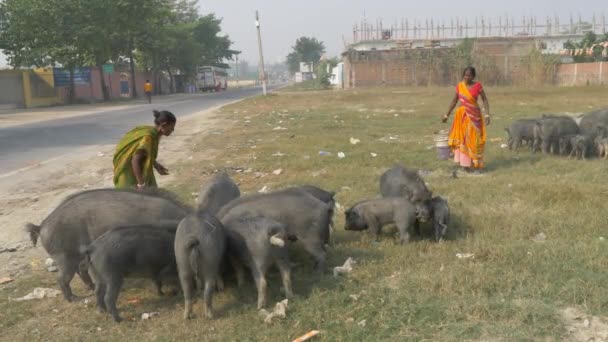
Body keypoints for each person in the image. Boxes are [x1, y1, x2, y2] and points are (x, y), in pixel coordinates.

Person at [442, 66, 491, 173]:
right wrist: (447, 115)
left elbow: (485, 100)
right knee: (463, 140)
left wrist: (487, 114)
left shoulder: (478, 86)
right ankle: (465, 164)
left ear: (473, 76)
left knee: (474, 140)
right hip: (462, 117)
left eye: (469, 75)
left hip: (474, 117)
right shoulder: (460, 86)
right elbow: (454, 101)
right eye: (465, 75)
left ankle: (474, 163)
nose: (466, 77)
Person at [113, 110, 176, 189]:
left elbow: (146, 153)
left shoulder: (153, 132)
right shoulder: (149, 137)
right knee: (135, 198)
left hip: (137, 171)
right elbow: (135, 160)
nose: (173, 130)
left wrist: (156, 165)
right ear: (163, 125)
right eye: (172, 127)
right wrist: (141, 184)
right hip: (129, 173)